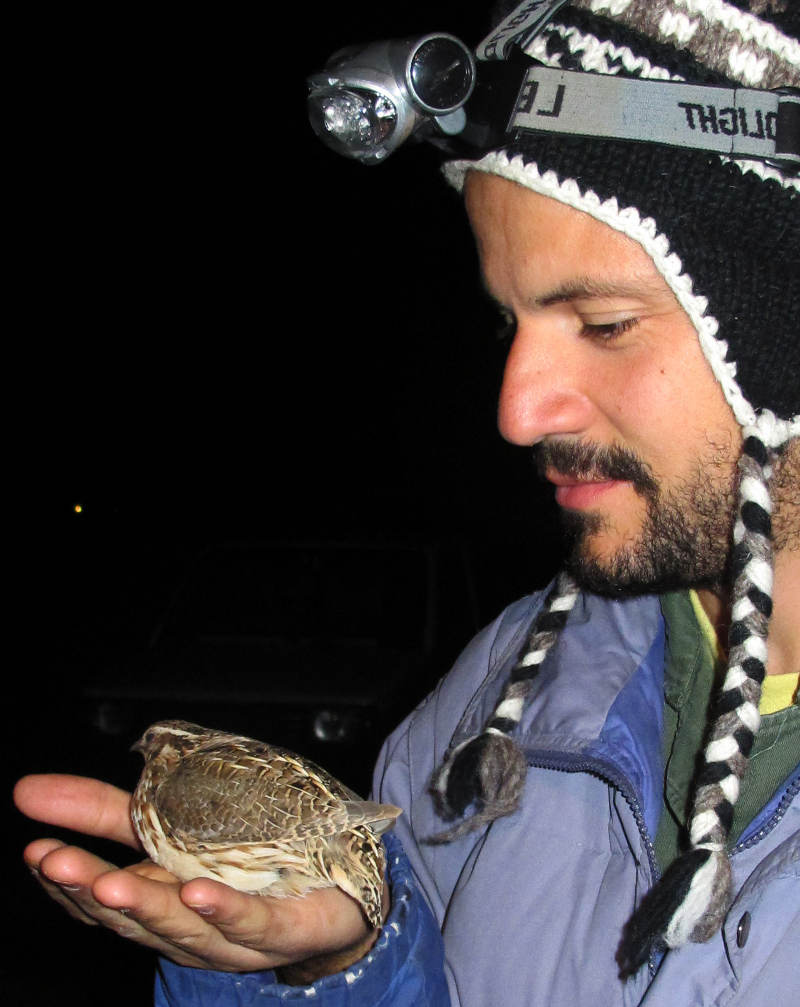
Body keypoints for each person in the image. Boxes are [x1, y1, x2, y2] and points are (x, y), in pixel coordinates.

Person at [15, 1, 798, 1004]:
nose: (515, 411)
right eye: (507, 319)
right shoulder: (503, 693)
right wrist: (330, 964)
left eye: (602, 322)